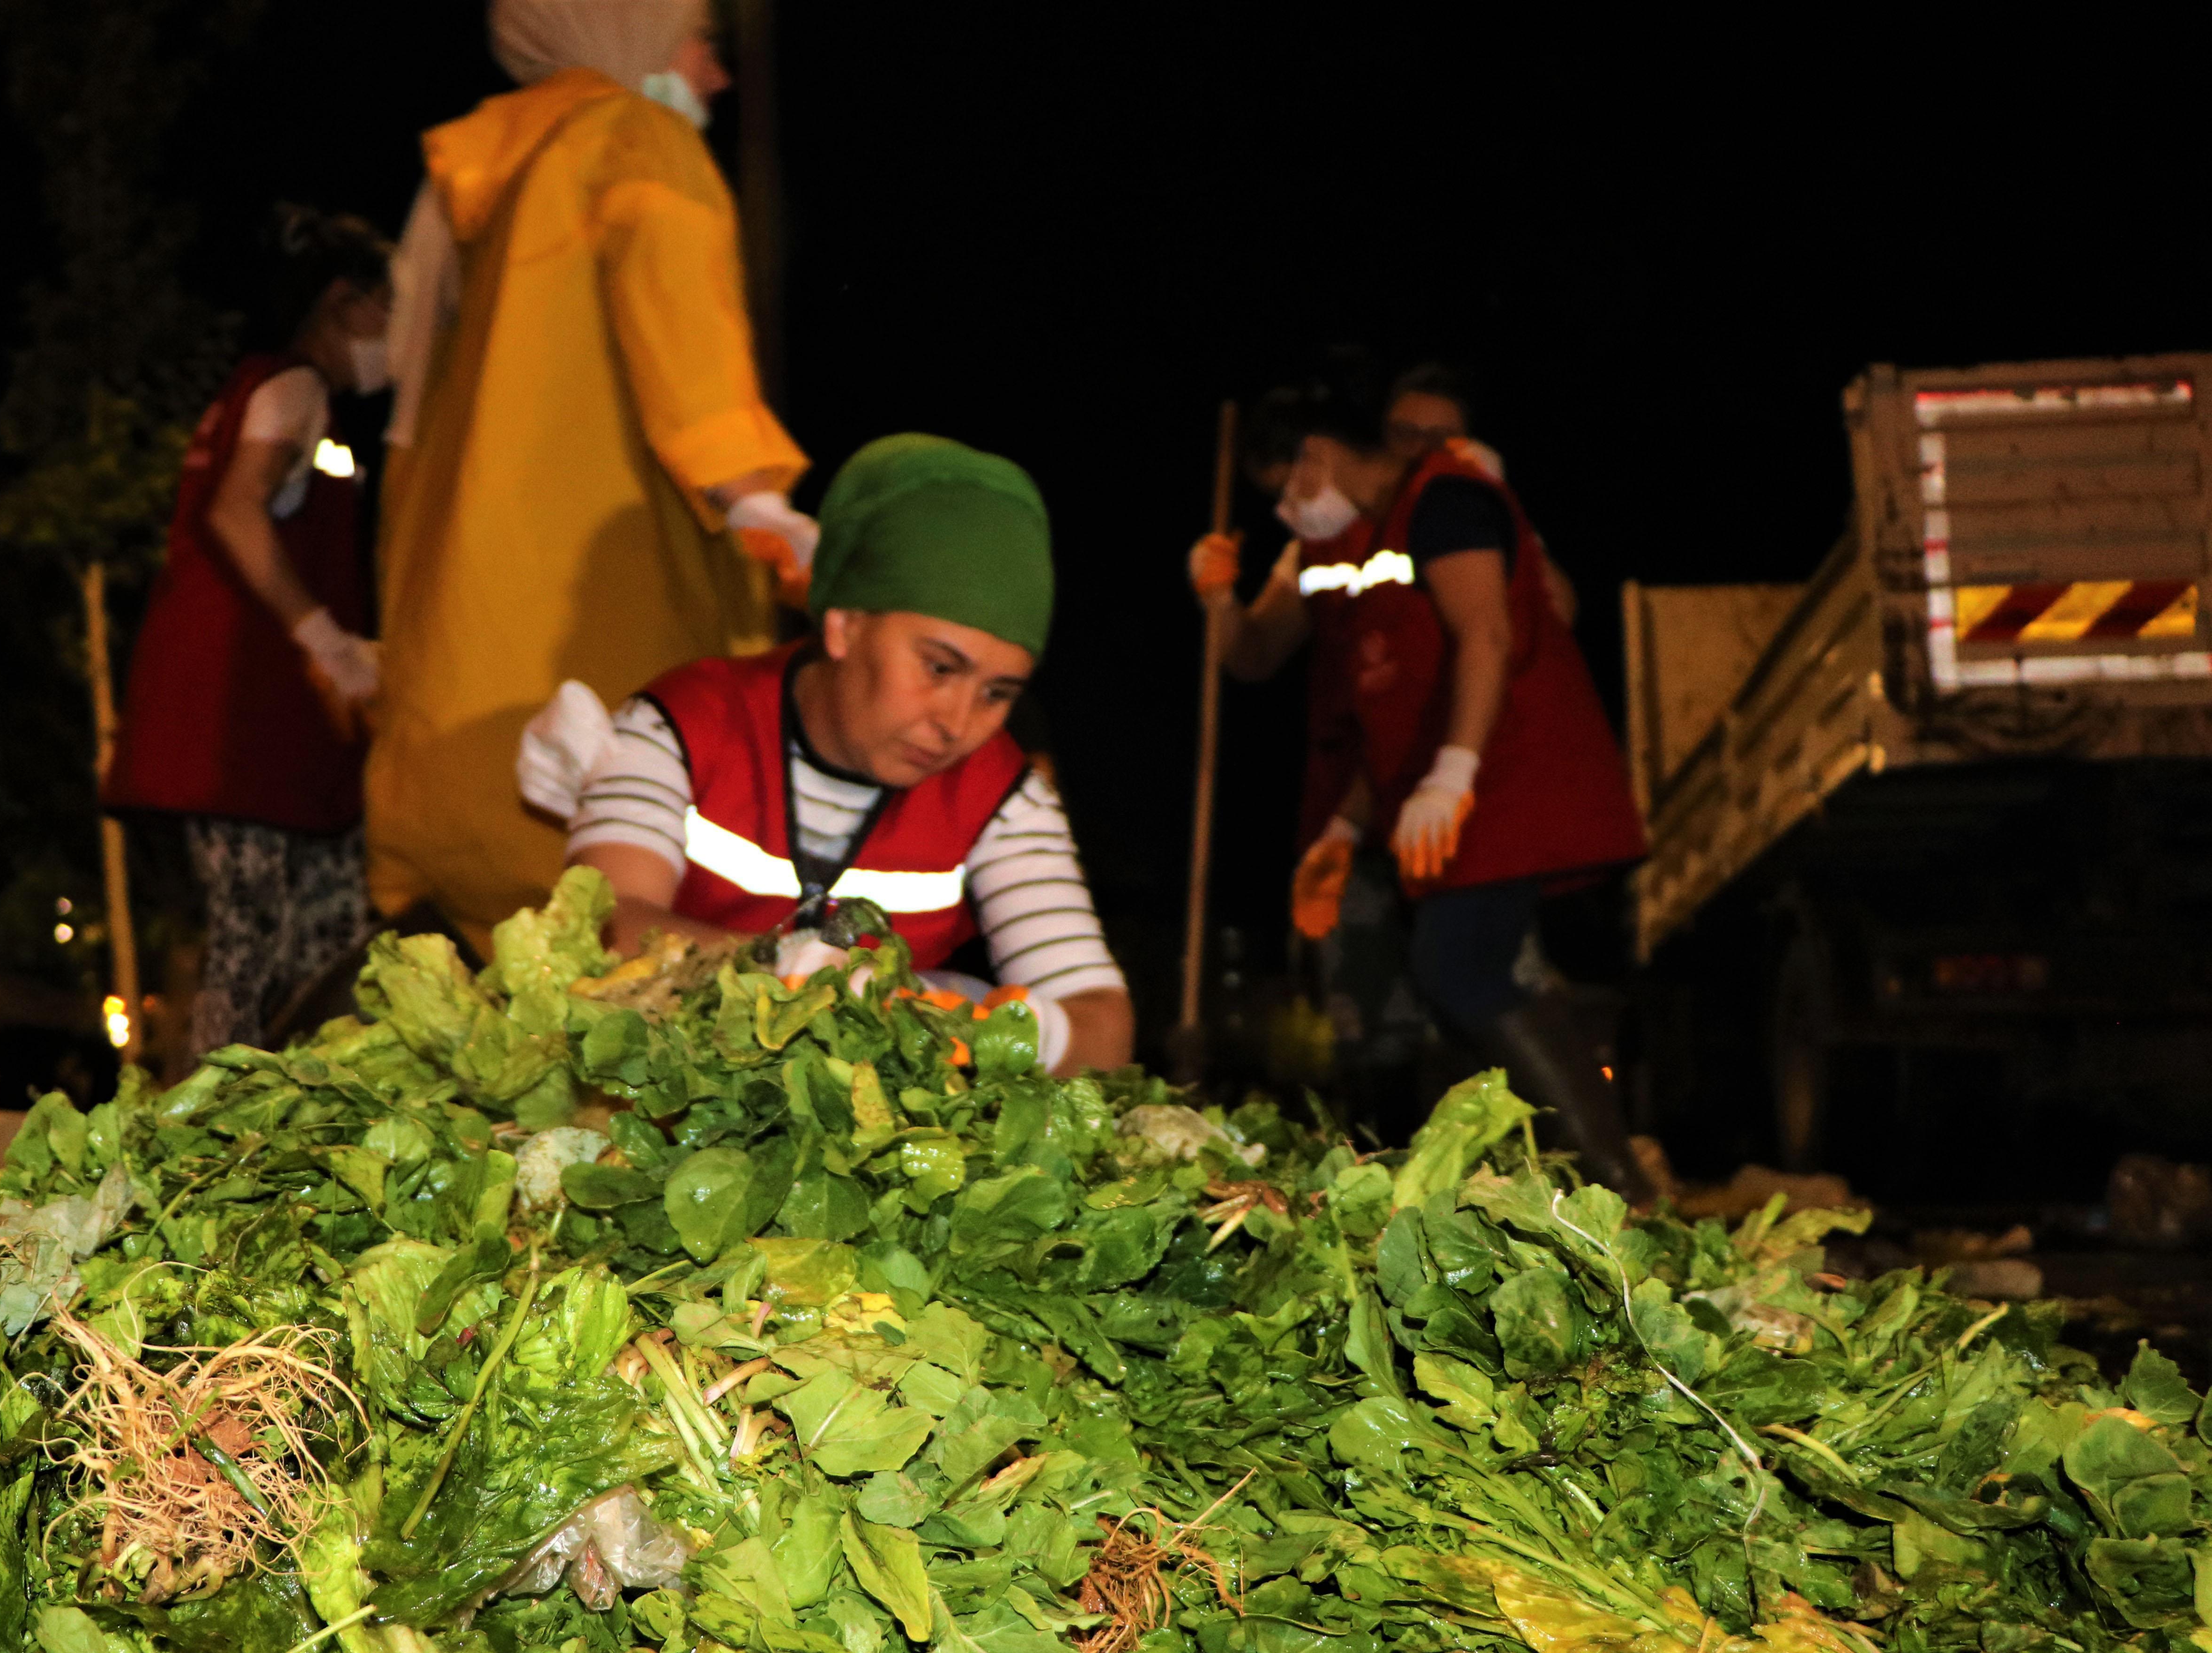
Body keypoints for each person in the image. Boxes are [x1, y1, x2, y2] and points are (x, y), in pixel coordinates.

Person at [369, 0, 812, 956]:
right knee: (622, 1007)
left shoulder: (469, 192)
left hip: (458, 711)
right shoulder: (635, 140)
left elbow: (404, 437)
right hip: (608, 667)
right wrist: (760, 499)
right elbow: (681, 323)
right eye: (701, 44)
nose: (715, 76)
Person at [525, 434, 1134, 1075]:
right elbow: (608, 923)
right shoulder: (678, 726)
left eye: (997, 692)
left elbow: (1102, 1029)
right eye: (938, 667)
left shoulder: (1003, 794)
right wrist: (785, 969)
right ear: (844, 623)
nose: (958, 722)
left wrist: (983, 1022)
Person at [1209, 372, 1653, 1198]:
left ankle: (1616, 1185)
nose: (1292, 509)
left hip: (1506, 780)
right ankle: (1575, 1184)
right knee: (1461, 977)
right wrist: (1347, 829)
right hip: (1461, 793)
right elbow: (1395, 709)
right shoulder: (1385, 530)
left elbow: (1487, 631)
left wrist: (1450, 779)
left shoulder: (1446, 500)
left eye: (1291, 486)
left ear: (1322, 452)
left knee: (1462, 970)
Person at [104, 209, 391, 1054]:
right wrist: (329, 644)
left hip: (255, 738)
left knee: (306, 943)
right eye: (391, 307)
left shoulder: (263, 393)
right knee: (257, 946)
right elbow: (236, 511)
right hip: (246, 733)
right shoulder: (292, 387)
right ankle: (217, 1132)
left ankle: (288, 1114)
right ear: (342, 302)